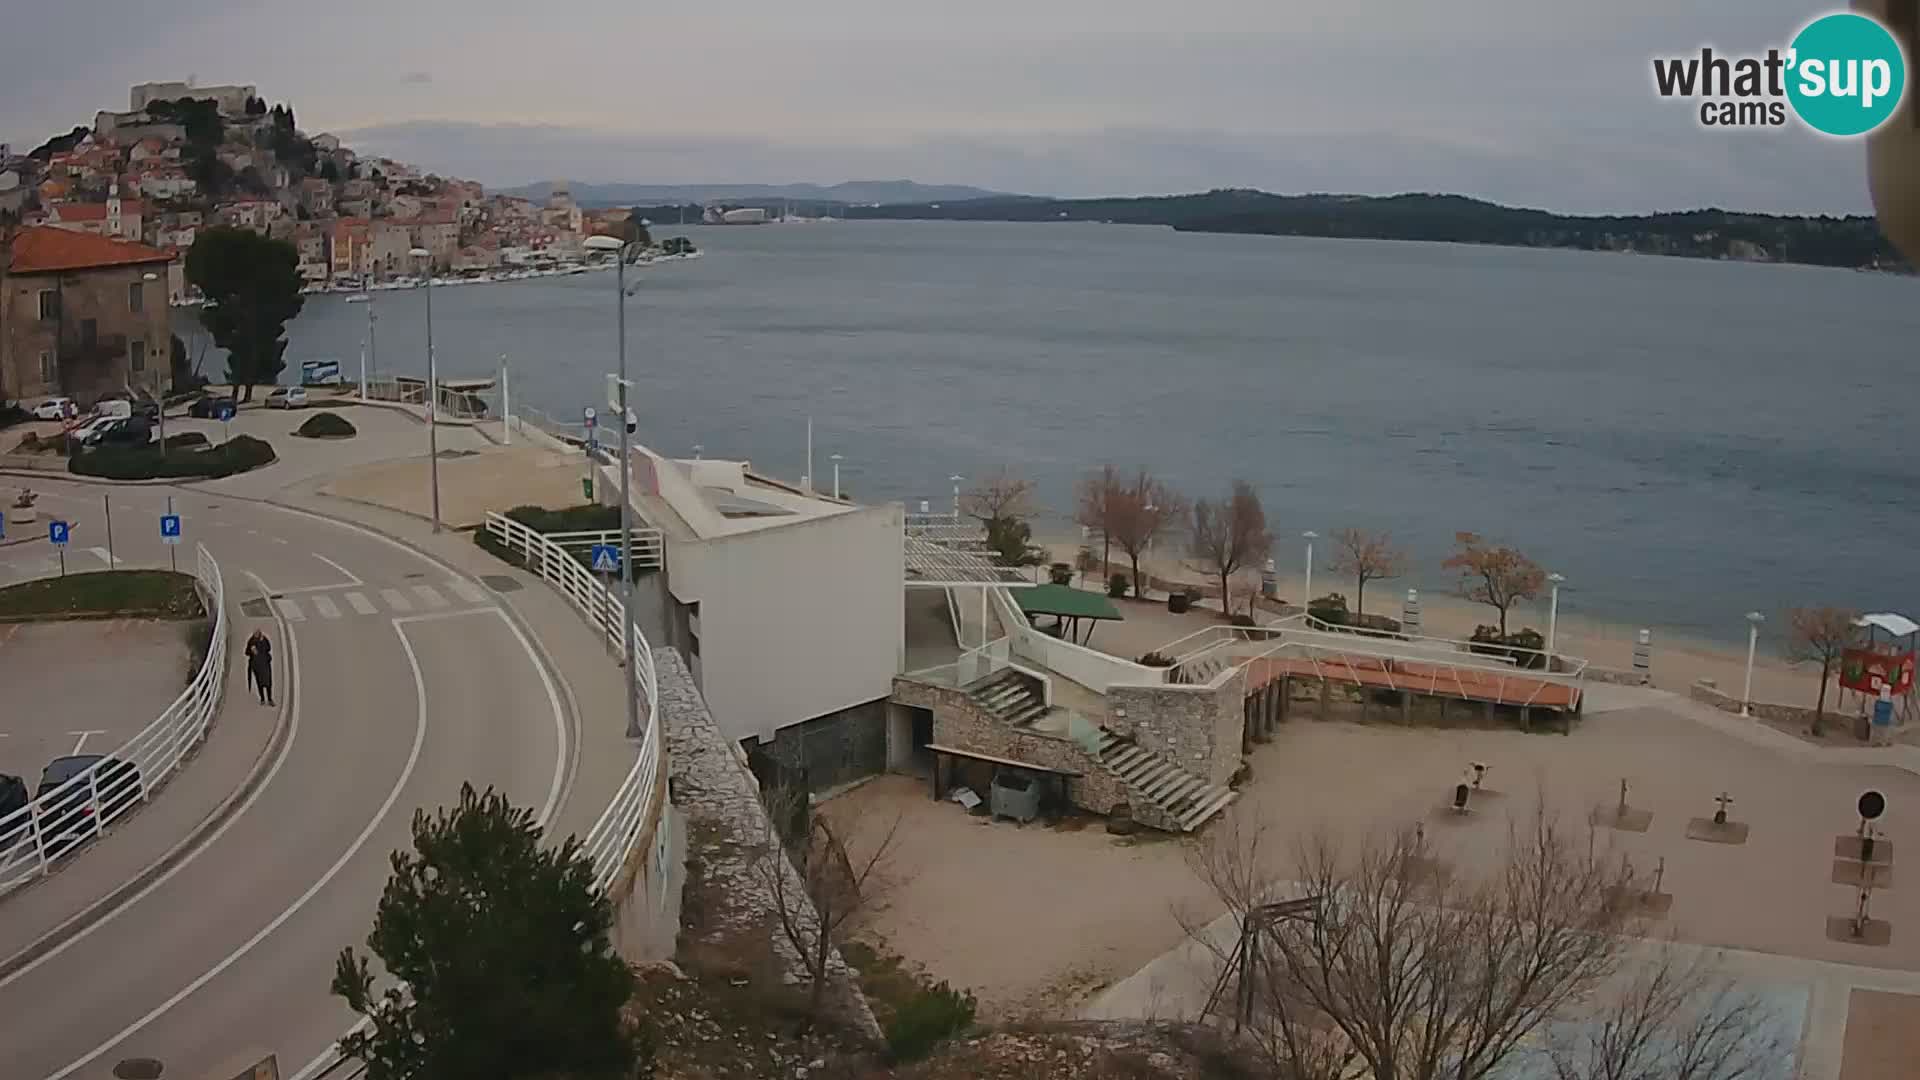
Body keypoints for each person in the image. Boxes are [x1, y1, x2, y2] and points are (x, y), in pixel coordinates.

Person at [249, 631, 274, 706]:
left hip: (264, 665)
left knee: (267, 683)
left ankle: (268, 699)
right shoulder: (252, 642)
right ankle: (263, 699)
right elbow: (250, 652)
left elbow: (268, 648)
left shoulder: (263, 640)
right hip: (258, 666)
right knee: (261, 683)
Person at [244, 630, 264, 695]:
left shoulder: (261, 642)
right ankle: (250, 690)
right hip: (253, 662)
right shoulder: (251, 642)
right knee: (253, 677)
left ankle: (261, 695)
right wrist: (252, 652)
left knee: (259, 678)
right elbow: (246, 652)